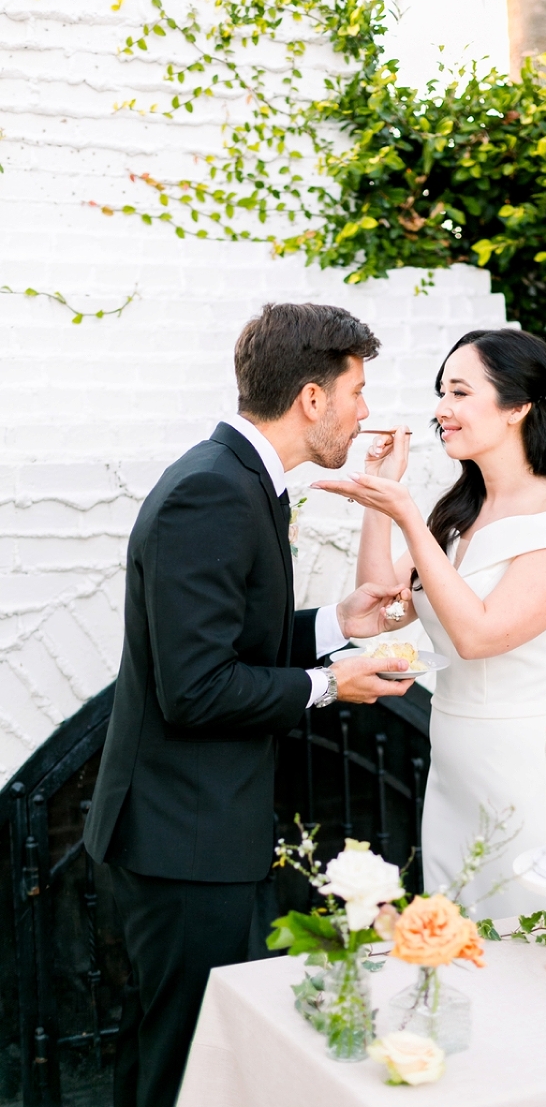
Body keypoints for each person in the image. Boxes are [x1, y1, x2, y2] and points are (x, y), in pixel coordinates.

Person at [83, 302, 414, 1107]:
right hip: (179, 842)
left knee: (186, 1048)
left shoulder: (243, 483)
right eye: (356, 390)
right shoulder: (213, 493)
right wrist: (335, 681)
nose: (364, 411)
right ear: (312, 398)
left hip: (196, 832)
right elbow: (196, 690)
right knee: (182, 1061)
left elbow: (230, 642)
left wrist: (340, 623)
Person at [312, 328, 546, 917]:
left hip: (525, 764)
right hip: (453, 761)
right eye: (440, 393)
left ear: (518, 406)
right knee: (461, 929)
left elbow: (479, 636)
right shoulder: (456, 515)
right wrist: (386, 497)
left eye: (458, 392)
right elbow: (380, 608)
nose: (440, 411)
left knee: (528, 923)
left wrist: (407, 518)